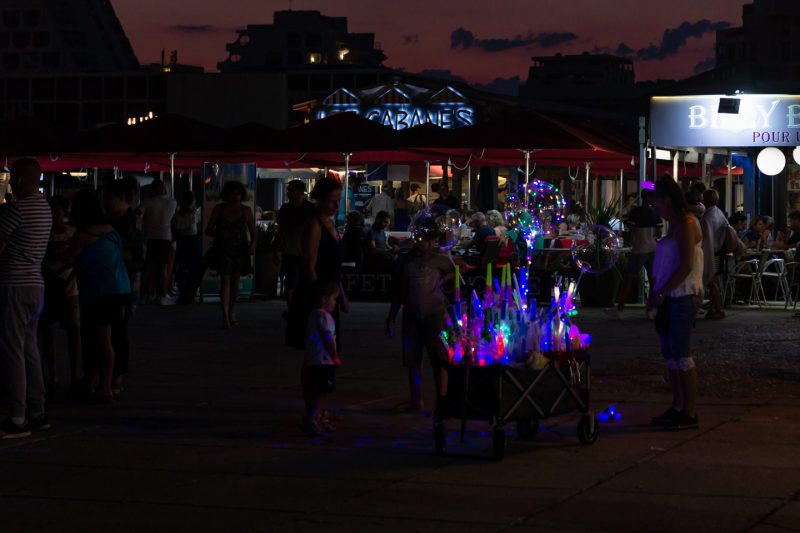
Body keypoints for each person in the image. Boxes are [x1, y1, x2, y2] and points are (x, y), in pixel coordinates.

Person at [0, 158, 53, 438]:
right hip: (36, 286)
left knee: (12, 349)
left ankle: (17, 416)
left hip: (14, 285)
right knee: (30, 348)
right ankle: (37, 410)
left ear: (18, 180)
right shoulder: (45, 209)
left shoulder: (16, 210)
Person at [648, 175, 704, 431]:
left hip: (682, 295)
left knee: (681, 354)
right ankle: (678, 405)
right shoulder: (673, 224)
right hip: (670, 295)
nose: (654, 207)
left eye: (656, 202)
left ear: (667, 200)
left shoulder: (686, 224)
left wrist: (662, 291)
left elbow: (686, 266)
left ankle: (689, 411)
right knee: (670, 354)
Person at [67, 189, 132, 404]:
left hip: (97, 290)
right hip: (118, 288)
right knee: (105, 336)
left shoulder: (84, 234)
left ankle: (101, 385)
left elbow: (69, 259)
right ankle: (102, 383)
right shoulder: (111, 231)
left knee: (99, 338)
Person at [386, 215, 455, 412]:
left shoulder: (440, 258)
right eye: (419, 239)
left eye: (428, 240)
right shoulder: (405, 260)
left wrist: (443, 281)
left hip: (435, 314)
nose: (422, 244)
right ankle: (416, 399)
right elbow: (398, 291)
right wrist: (391, 316)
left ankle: (443, 400)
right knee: (412, 360)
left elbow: (460, 269)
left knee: (439, 359)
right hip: (411, 314)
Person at [286, 178, 349, 350]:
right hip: (319, 295)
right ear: (320, 199)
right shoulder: (315, 225)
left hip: (329, 294)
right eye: (332, 201)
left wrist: (340, 295)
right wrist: (319, 300)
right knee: (318, 350)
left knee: (328, 350)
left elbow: (335, 265)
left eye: (338, 201)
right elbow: (309, 266)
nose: (336, 206)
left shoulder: (330, 224)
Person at [103, 180, 145, 395]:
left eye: (109, 198)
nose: (105, 202)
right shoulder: (110, 219)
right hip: (108, 280)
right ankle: (110, 375)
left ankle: (117, 376)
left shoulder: (133, 222)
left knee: (118, 331)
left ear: (122, 199)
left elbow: (136, 256)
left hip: (124, 282)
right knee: (108, 331)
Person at [38, 195, 81, 399]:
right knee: (47, 333)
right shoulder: (46, 234)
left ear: (65, 213)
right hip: (50, 286)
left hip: (68, 286)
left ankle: (74, 377)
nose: (54, 216)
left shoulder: (72, 233)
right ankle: (52, 376)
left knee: (73, 332)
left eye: (57, 212)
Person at [205, 181, 257, 329]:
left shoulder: (246, 211)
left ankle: (231, 311)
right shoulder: (219, 209)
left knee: (235, 284)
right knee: (225, 281)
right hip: (223, 249)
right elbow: (208, 229)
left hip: (240, 250)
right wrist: (221, 235)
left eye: (238, 193)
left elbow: (254, 233)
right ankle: (225, 315)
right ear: (227, 194)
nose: (235, 196)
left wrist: (252, 245)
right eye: (233, 193)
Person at [605, 189, 662, 320]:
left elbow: (631, 233)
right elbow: (658, 233)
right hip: (652, 249)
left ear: (642, 197)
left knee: (629, 278)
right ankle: (650, 309)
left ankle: (620, 308)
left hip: (639, 249)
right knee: (653, 279)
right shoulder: (656, 213)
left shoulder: (635, 212)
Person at [301, 280, 342, 436]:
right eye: (334, 299)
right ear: (324, 299)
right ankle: (312, 419)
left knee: (317, 391)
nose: (335, 302)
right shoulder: (325, 317)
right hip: (323, 361)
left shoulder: (313, 315)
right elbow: (327, 338)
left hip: (313, 360)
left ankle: (313, 417)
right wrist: (334, 355)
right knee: (320, 392)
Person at [275, 180, 315, 307]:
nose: (288, 193)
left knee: (306, 282)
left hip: (308, 253)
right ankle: (292, 310)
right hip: (291, 252)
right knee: (291, 283)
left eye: (291, 190)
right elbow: (280, 230)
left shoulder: (311, 209)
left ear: (300, 192)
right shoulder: (285, 209)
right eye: (288, 190)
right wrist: (276, 250)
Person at [139, 178, 177, 305]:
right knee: (163, 268)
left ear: (153, 189)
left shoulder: (147, 202)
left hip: (150, 238)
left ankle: (143, 295)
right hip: (165, 237)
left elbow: (137, 215)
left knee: (148, 268)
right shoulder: (173, 202)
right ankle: (162, 295)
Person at [700, 189, 728, 319]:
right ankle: (714, 308)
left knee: (712, 281)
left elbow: (707, 239)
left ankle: (718, 309)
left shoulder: (708, 217)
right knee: (714, 281)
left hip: (711, 251)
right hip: (719, 250)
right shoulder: (719, 213)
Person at [172, 191, 202, 305]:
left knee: (182, 268)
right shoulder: (194, 214)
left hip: (181, 242)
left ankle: (183, 292)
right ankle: (189, 294)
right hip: (193, 242)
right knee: (193, 270)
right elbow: (197, 226)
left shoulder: (176, 215)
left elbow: (176, 228)